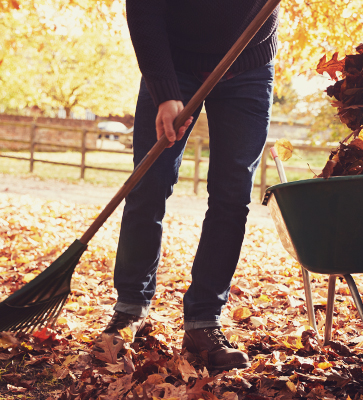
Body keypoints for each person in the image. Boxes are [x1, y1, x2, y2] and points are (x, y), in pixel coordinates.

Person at [94, 1, 279, 371]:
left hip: (248, 64)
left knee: (232, 195)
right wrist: (164, 91)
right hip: (174, 60)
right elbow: (144, 10)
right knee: (149, 183)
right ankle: (130, 309)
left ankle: (203, 322)